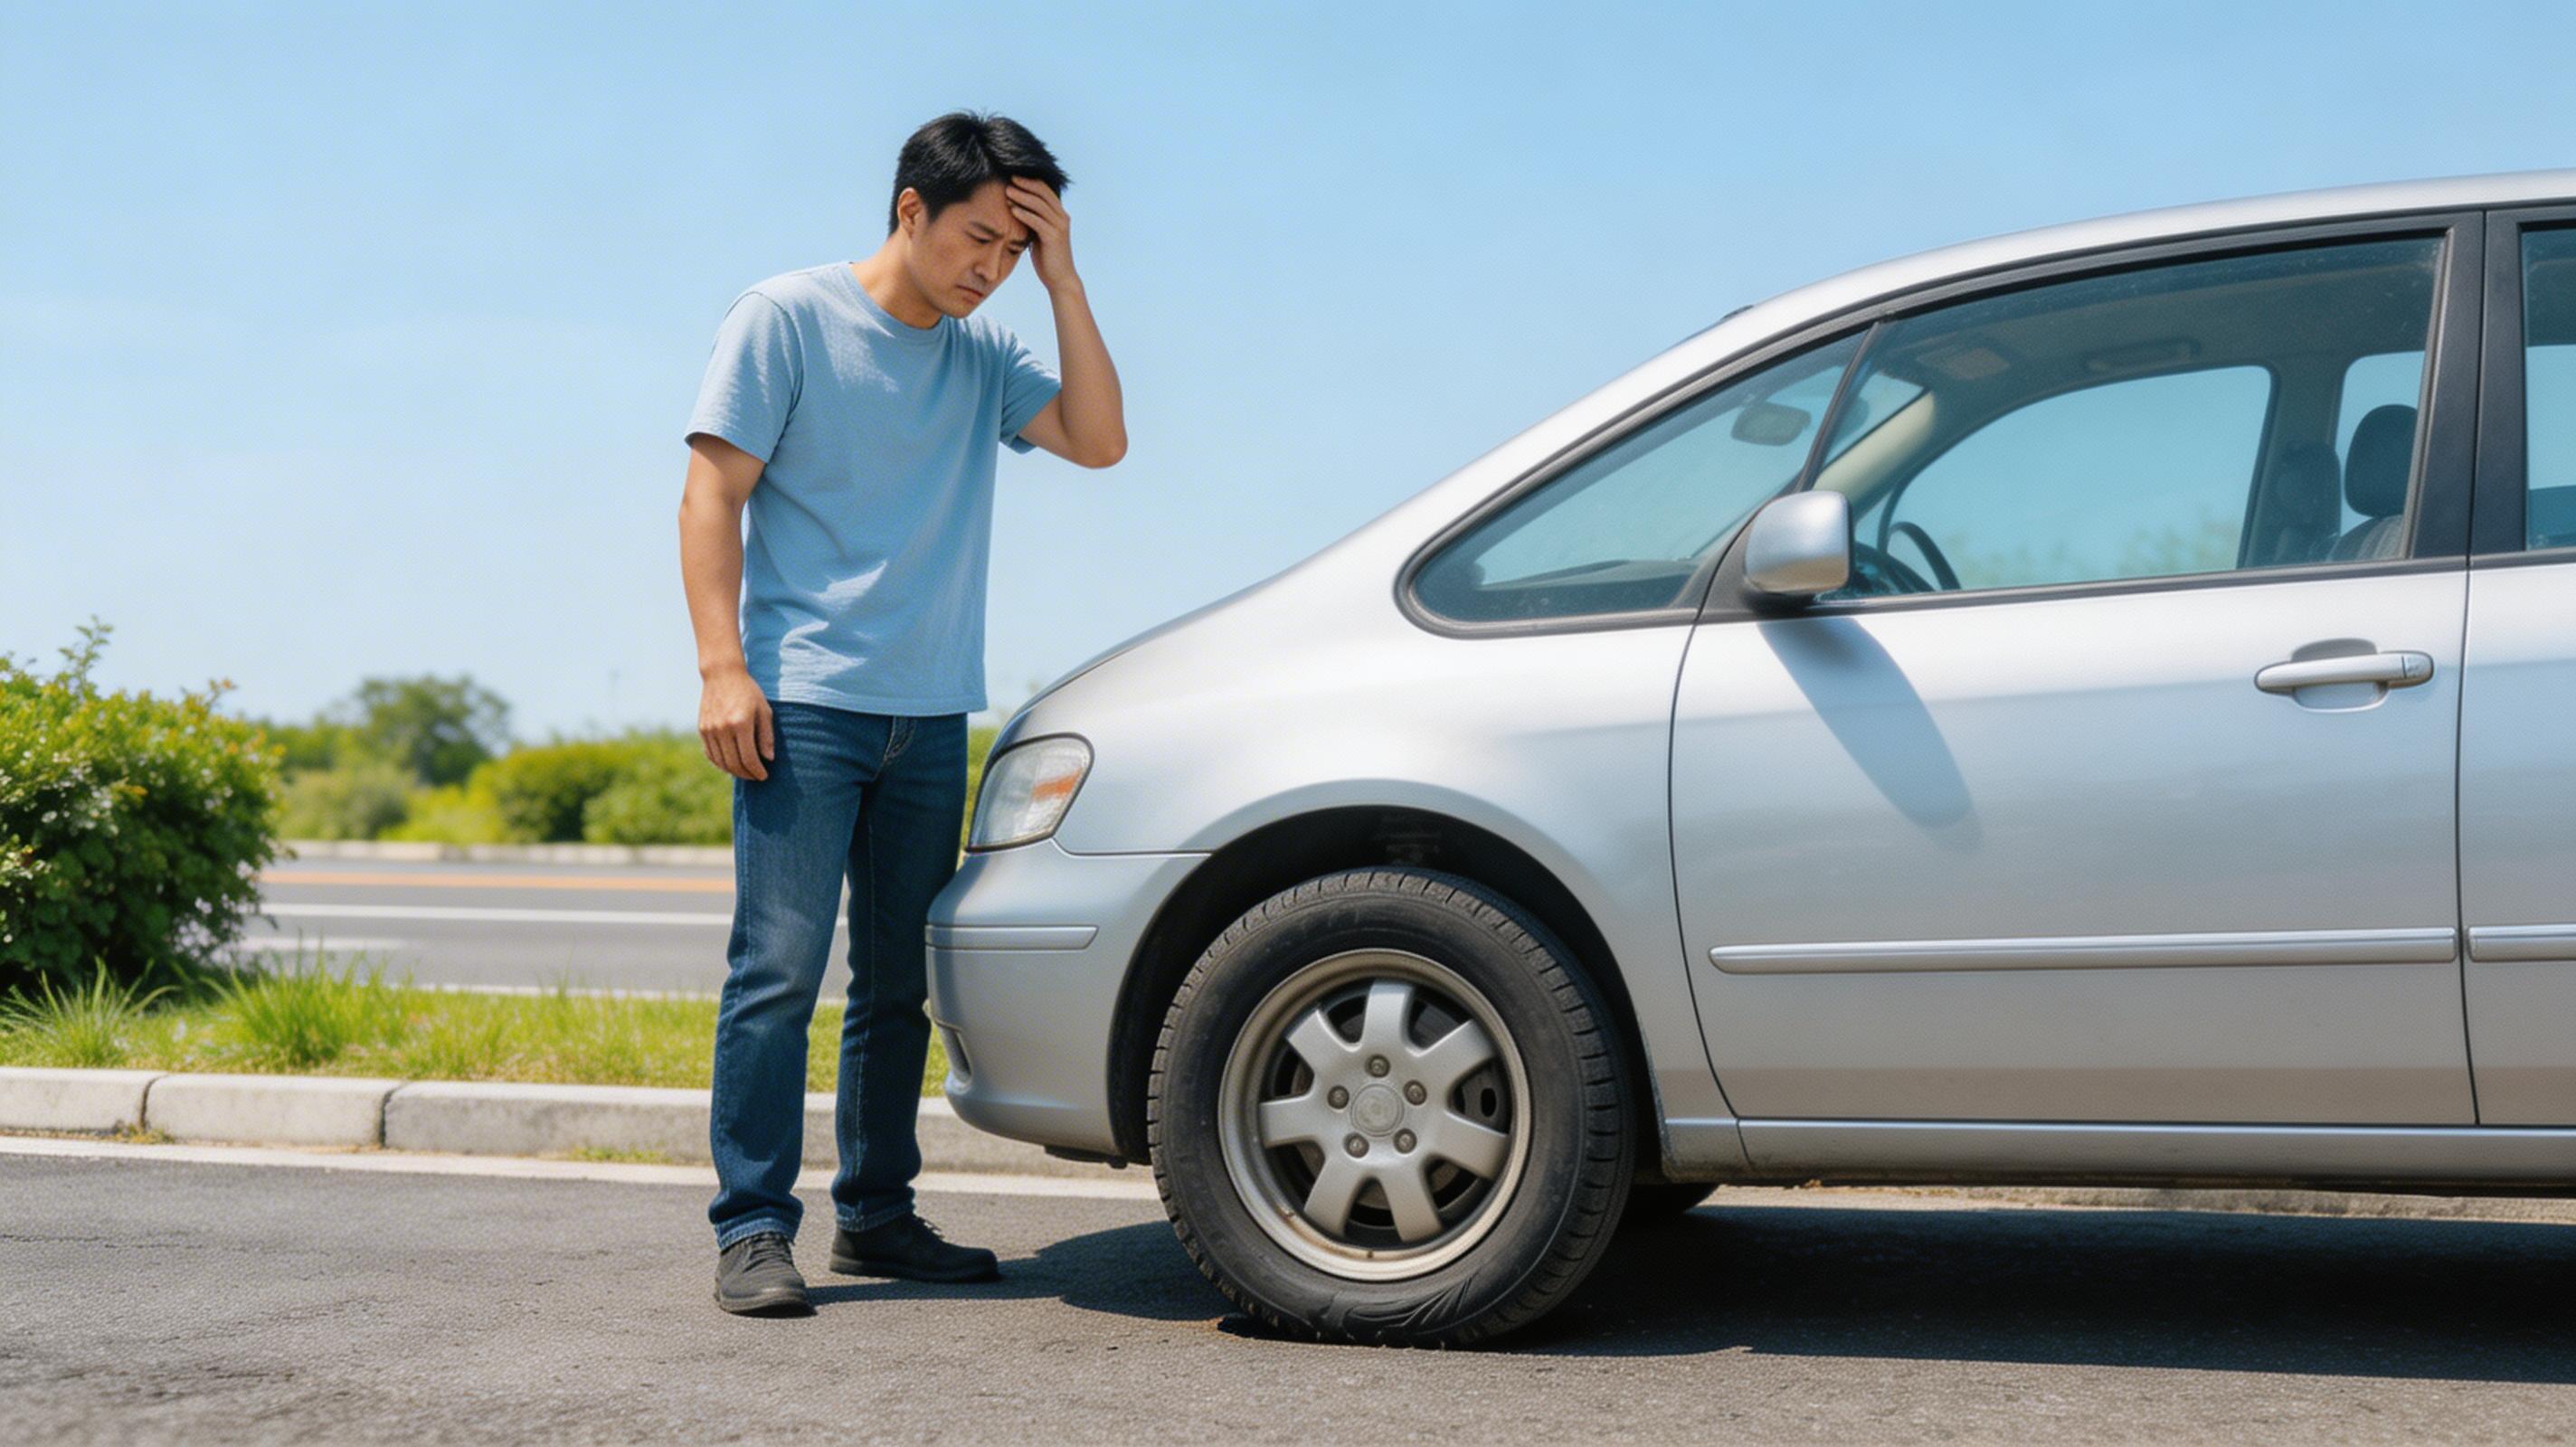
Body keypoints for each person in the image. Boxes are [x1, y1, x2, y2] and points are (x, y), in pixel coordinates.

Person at [677, 110, 1126, 1316]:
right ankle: (752, 1229)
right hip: (805, 703)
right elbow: (713, 491)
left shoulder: (983, 363)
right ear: (909, 211)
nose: (990, 268)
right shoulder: (786, 318)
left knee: (895, 986)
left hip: (929, 714)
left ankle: (875, 1216)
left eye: (1011, 251)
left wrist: (1065, 276)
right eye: (977, 238)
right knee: (775, 970)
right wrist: (725, 666)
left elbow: (1100, 441)